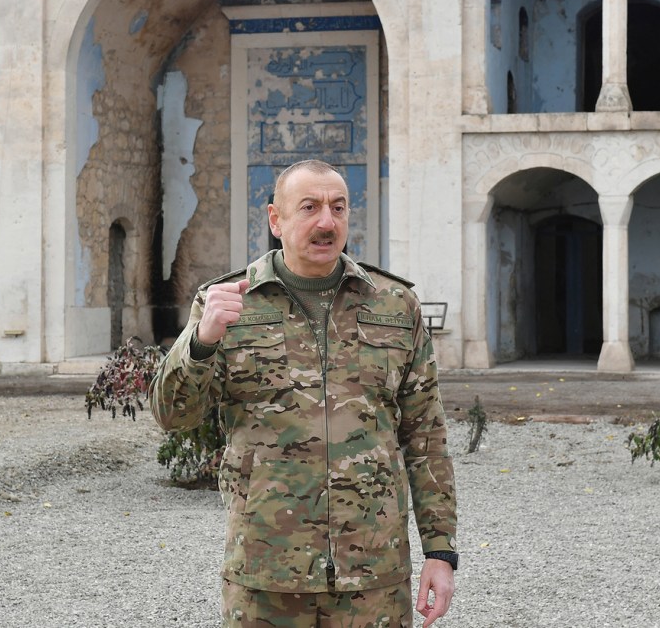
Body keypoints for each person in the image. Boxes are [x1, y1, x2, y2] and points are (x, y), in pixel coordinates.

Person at [151, 159, 457, 627]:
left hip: (373, 574)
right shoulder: (228, 302)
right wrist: (202, 342)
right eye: (309, 207)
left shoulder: (395, 306)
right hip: (265, 571)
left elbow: (426, 437)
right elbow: (173, 415)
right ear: (276, 220)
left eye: (338, 207)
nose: (326, 222)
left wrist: (440, 551)